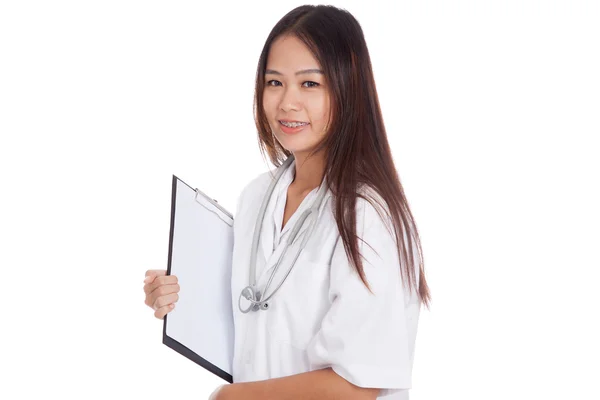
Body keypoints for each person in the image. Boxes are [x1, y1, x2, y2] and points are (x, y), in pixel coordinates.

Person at [143, 4, 431, 400]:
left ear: (347, 86)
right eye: (274, 82)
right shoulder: (258, 197)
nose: (287, 103)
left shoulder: (367, 215)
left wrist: (230, 397)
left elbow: (356, 386)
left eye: (309, 84)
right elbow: (256, 314)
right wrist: (181, 293)